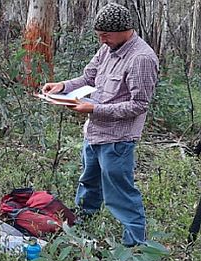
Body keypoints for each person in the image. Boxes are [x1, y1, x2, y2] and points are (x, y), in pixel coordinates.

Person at [42, 3, 159, 247]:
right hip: (93, 134)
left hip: (118, 139)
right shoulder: (107, 48)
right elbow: (88, 78)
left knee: (120, 193)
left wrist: (94, 108)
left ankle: (134, 246)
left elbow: (138, 105)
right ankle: (82, 229)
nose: (102, 40)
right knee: (88, 184)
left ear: (125, 29)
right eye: (99, 35)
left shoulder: (141, 58)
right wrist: (62, 86)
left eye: (106, 35)